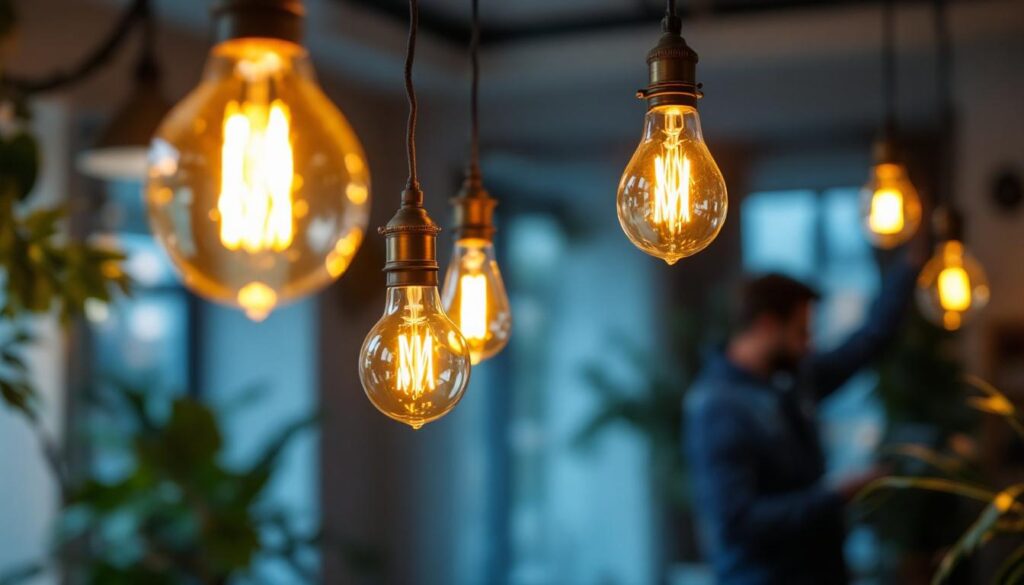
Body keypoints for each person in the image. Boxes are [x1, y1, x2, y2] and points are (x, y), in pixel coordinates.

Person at [685, 255, 921, 585]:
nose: (808, 345)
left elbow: (866, 344)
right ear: (767, 325)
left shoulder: (790, 380)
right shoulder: (718, 406)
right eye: (801, 332)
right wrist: (834, 495)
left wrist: (910, 265)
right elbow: (738, 523)